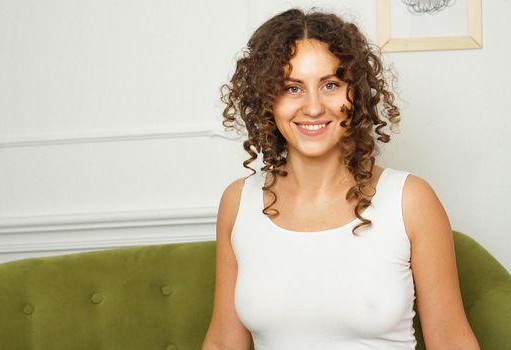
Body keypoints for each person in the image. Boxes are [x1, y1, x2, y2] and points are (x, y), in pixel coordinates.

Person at [202, 8, 479, 350]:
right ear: (266, 99)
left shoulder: (411, 199)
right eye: (292, 88)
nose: (314, 107)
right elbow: (222, 344)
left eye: (330, 85)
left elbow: (451, 341)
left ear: (356, 93)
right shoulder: (238, 202)